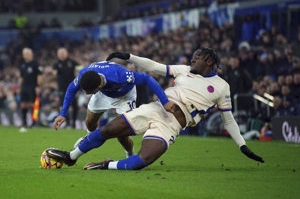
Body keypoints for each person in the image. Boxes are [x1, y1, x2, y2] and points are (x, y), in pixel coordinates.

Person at [46, 48, 264, 171]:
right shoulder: (183, 70)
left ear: (209, 61)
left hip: (171, 126)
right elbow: (153, 67)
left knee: (142, 161)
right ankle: (72, 156)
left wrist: (242, 145)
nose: (193, 58)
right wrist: (130, 57)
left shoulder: (222, 86)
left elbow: (228, 120)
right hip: (155, 109)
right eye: (194, 55)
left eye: (197, 56)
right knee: (109, 129)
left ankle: (107, 165)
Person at [52, 60, 170, 158]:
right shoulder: (85, 74)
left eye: (88, 93)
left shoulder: (122, 76)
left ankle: (130, 154)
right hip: (103, 94)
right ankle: (89, 137)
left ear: (98, 87)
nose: (85, 94)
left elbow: (147, 78)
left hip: (125, 96)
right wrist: (63, 114)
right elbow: (71, 89)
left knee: (121, 135)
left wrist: (165, 101)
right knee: (89, 122)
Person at [53, 47, 81, 128]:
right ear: (58, 55)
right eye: (60, 53)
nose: (61, 55)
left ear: (67, 53)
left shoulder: (71, 62)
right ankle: (68, 123)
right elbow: (53, 74)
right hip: (62, 88)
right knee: (63, 105)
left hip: (72, 88)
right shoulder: (56, 64)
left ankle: (73, 123)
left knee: (75, 105)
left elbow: (81, 67)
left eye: (63, 53)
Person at [19, 48, 43, 132]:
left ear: (31, 54)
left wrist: (38, 86)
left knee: (34, 105)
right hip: (24, 86)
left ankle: (34, 122)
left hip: (33, 86)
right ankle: (24, 122)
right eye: (24, 53)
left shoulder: (35, 64)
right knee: (23, 104)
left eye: (28, 53)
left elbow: (39, 76)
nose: (26, 55)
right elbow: (21, 76)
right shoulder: (22, 64)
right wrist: (19, 86)